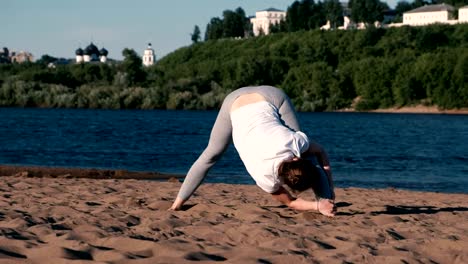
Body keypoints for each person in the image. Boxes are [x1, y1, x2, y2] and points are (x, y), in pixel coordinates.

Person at [170, 86, 336, 216]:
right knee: (310, 156)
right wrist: (326, 192)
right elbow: (291, 202)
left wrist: (328, 188)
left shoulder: (293, 143)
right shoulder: (266, 176)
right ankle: (327, 203)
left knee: (211, 155)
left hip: (238, 97)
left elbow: (320, 151)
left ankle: (176, 205)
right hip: (267, 98)